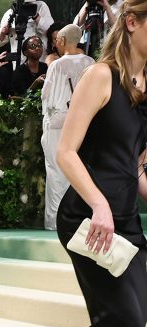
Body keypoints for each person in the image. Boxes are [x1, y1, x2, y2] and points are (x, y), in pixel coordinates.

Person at [35, 1, 147, 327]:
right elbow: (67, 152)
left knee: (136, 321)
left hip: (126, 220)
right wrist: (100, 202)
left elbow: (134, 167)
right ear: (134, 22)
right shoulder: (101, 76)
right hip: (86, 216)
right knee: (120, 317)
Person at [41, 24, 96, 229]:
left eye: (57, 40)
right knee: (81, 170)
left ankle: (55, 223)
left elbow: (46, 95)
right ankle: (81, 221)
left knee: (56, 171)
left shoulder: (56, 65)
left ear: (62, 40)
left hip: (58, 123)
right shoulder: (91, 63)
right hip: (84, 122)